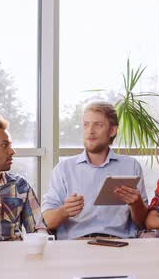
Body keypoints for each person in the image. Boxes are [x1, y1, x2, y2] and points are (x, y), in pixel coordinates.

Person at [42, 101, 148, 240]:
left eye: (98, 125)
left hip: (119, 244)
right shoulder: (64, 169)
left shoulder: (131, 166)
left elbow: (142, 223)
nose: (90, 131)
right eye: (86, 124)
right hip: (76, 246)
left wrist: (136, 204)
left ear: (112, 131)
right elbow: (49, 222)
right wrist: (64, 211)